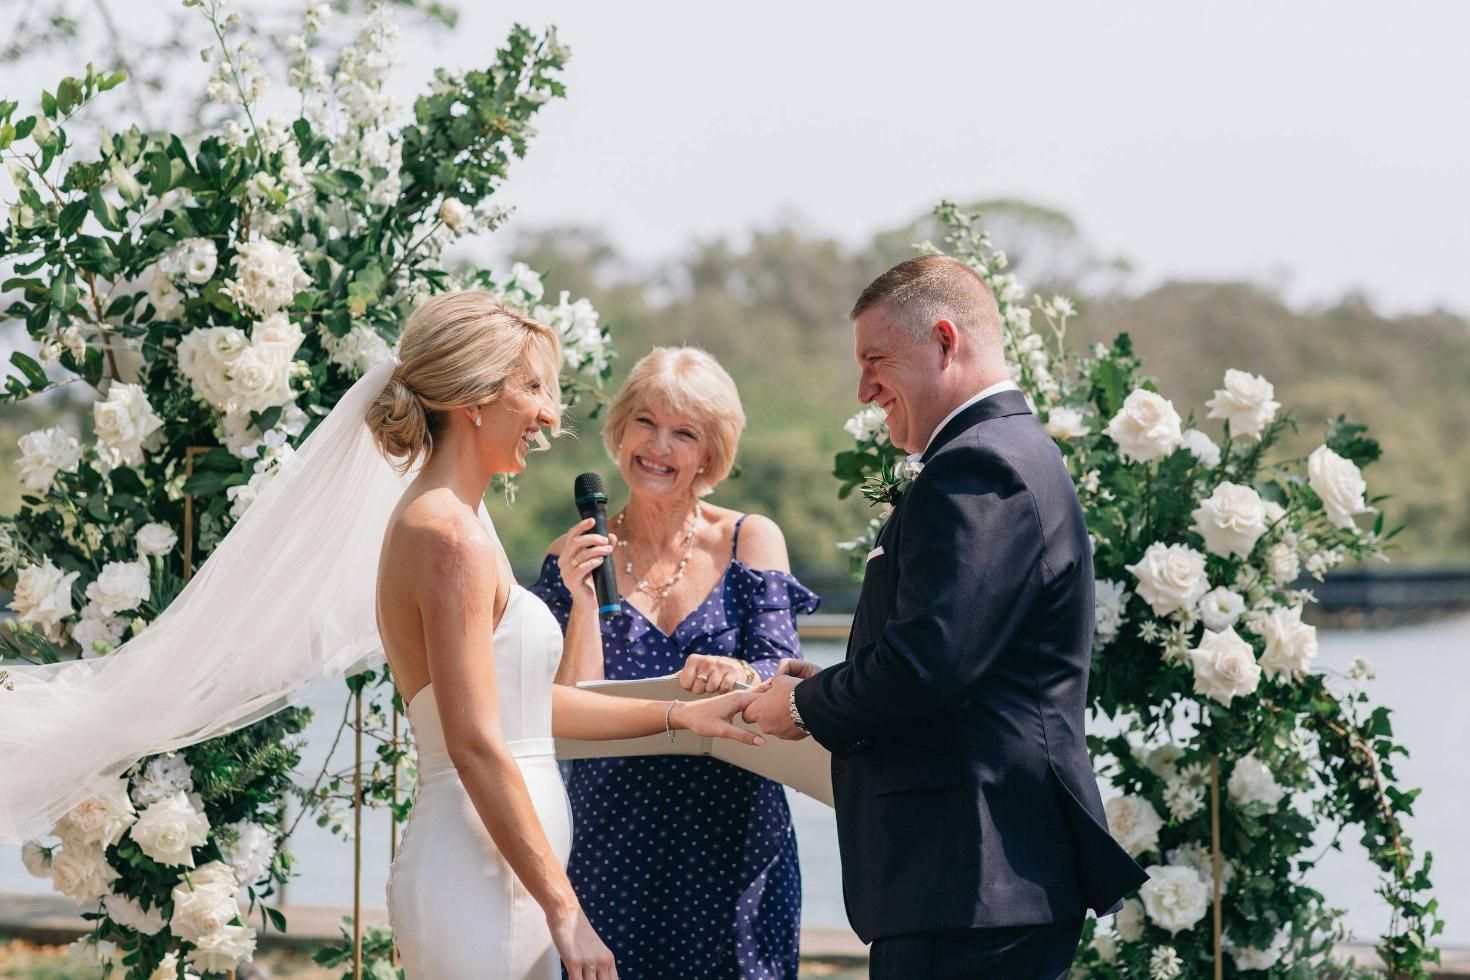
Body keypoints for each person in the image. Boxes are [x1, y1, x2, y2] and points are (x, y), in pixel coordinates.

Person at [743, 257, 1148, 979]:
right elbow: (958, 655)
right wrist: (839, 679)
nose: (864, 389)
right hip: (983, 878)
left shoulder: (978, 467)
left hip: (968, 878)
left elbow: (928, 664)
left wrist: (802, 704)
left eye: (876, 360)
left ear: (943, 340)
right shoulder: (1007, 453)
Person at [369, 297, 769, 980]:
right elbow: (473, 742)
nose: (550, 415)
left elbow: (525, 709)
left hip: (505, 874)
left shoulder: (463, 522)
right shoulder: (449, 537)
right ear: (474, 398)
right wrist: (566, 909)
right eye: (533, 388)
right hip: (480, 880)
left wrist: (679, 715)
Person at [530, 347, 819, 980]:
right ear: (621, 429)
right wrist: (582, 602)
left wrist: (736, 674)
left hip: (736, 839)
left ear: (710, 453)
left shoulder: (751, 539)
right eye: (645, 423)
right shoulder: (569, 556)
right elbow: (569, 712)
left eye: (683, 432)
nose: (658, 446)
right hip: (611, 842)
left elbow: (784, 682)